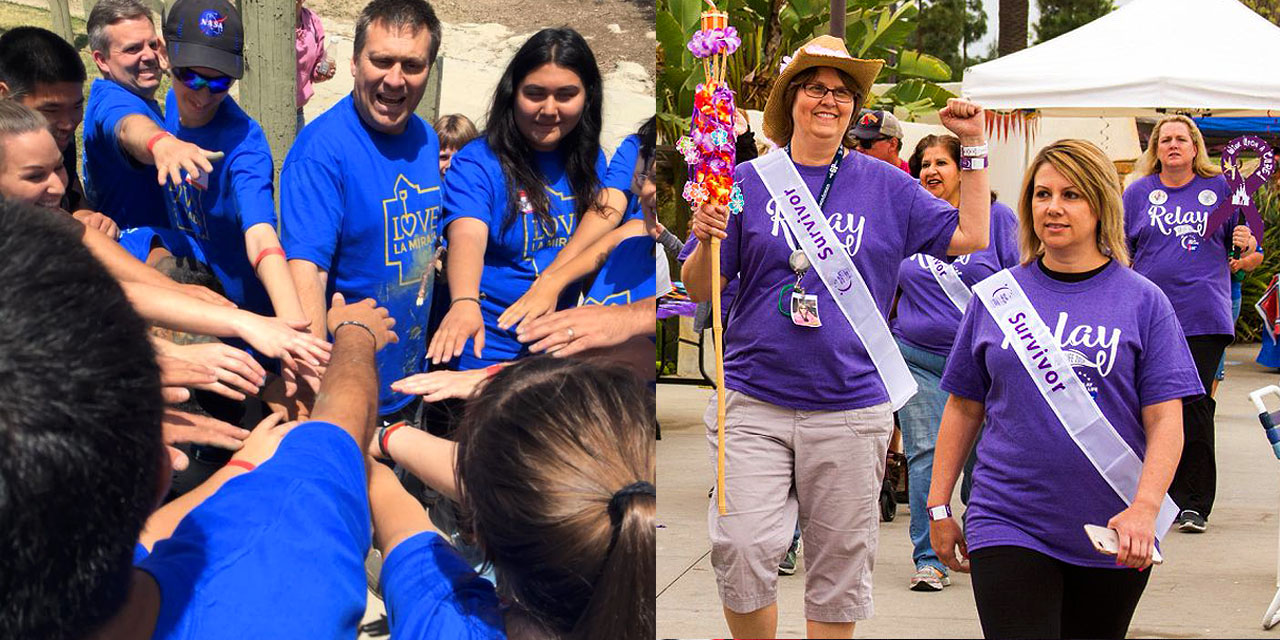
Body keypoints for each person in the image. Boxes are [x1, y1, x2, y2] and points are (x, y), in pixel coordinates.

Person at [682, 34, 991, 638]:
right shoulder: (743, 178)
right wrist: (707, 234)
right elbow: (701, 289)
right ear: (792, 99)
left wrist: (974, 145)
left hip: (852, 406)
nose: (829, 100)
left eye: (842, 92)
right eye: (816, 88)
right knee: (741, 549)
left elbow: (972, 234)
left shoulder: (888, 184)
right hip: (754, 400)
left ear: (853, 107)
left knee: (839, 570)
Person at [0, 193, 395, 638]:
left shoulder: (56, 569)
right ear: (160, 468)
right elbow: (336, 436)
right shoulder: (285, 568)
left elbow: (145, 538)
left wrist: (240, 467)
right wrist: (357, 334)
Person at [929, 139, 1201, 639]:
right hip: (1006, 518)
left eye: (1072, 195)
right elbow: (964, 406)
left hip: (1112, 527)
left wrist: (1145, 509)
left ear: (1101, 206)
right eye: (1042, 193)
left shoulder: (1145, 302)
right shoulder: (996, 297)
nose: (1053, 207)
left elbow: (1166, 420)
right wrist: (940, 506)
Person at [369, 357, 654, 639]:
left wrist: (353, 433)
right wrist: (390, 437)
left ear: (477, 533)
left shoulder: (443, 620)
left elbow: (397, 517)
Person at [283, 0, 444, 425]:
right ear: (354, 63)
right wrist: (316, 386)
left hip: (412, 376)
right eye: (381, 61)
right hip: (348, 388)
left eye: (412, 64)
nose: (395, 79)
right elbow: (307, 273)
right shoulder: (321, 153)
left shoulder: (426, 138)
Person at [429, 27, 606, 370]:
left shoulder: (592, 161)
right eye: (535, 93)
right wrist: (464, 300)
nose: (549, 109)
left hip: (556, 352)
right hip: (482, 347)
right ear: (513, 93)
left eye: (566, 95)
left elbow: (600, 239)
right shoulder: (478, 162)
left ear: (588, 97)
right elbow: (467, 232)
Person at [893, 134, 1020, 592]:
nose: (931, 170)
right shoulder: (907, 221)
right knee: (926, 454)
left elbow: (1022, 281)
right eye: (924, 163)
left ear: (962, 170)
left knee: (983, 465)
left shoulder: (999, 219)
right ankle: (930, 557)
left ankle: (984, 545)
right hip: (918, 360)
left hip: (984, 368)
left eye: (942, 161)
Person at [1122, 115, 1258, 533]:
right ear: (1156, 149)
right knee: (1147, 406)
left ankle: (1194, 502)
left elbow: (1251, 249)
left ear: (1195, 147)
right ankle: (1150, 494)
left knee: (1192, 407)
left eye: (1182, 138)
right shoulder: (1139, 192)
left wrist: (1247, 248)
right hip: (1148, 317)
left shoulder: (1220, 190)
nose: (1174, 145)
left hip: (1203, 317)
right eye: (1166, 140)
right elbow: (1120, 249)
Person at [156, 0, 308, 331]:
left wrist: (293, 323)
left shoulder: (245, 145)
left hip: (245, 313)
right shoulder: (167, 106)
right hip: (188, 290)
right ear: (165, 56)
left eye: (220, 83)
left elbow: (260, 232)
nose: (203, 96)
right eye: (191, 77)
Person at [83, 0, 217, 229]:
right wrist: (160, 144)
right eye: (132, 49)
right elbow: (127, 128)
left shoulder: (137, 93)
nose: (149, 56)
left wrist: (176, 69)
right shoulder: (112, 101)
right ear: (101, 60)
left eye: (153, 44)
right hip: (145, 254)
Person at [0, 26, 115, 235]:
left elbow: (71, 193)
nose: (68, 124)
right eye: (51, 109)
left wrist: (85, 217)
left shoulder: (53, 138)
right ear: (4, 95)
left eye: (77, 106)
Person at [295, 0, 336, 133]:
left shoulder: (312, 22)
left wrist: (321, 72)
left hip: (297, 111)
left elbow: (314, 67)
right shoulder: (267, 24)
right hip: (267, 110)